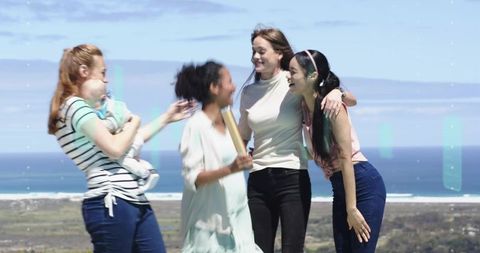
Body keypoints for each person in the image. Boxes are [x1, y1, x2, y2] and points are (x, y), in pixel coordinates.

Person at [47, 44, 192, 253]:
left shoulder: (95, 113)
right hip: (110, 201)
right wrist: (134, 121)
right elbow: (115, 148)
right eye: (103, 73)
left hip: (134, 200)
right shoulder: (73, 106)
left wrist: (167, 117)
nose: (106, 80)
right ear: (84, 72)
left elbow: (130, 142)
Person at [238, 26, 357, 253]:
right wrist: (238, 158)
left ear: (279, 53)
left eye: (261, 51)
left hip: (292, 178)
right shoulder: (248, 93)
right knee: (256, 250)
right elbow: (241, 136)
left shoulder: (293, 81)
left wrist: (336, 93)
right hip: (258, 181)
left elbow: (349, 99)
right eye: (253, 51)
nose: (255, 57)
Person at [288, 49, 386, 253]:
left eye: (293, 72)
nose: (288, 76)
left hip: (362, 185)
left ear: (312, 76)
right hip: (339, 188)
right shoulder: (303, 108)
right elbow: (317, 154)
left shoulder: (332, 106)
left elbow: (345, 157)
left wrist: (352, 208)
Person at [176, 61, 262, 253]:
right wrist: (230, 169)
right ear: (214, 88)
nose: (233, 87)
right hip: (209, 232)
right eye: (229, 82)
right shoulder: (196, 126)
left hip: (239, 226)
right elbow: (194, 178)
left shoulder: (228, 121)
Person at [81, 79, 159, 193]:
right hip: (132, 138)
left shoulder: (112, 109)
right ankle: (147, 168)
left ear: (102, 98)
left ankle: (145, 175)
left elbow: (114, 123)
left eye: (88, 101)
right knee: (132, 158)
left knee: (124, 159)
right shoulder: (105, 105)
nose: (86, 105)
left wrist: (99, 127)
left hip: (132, 139)